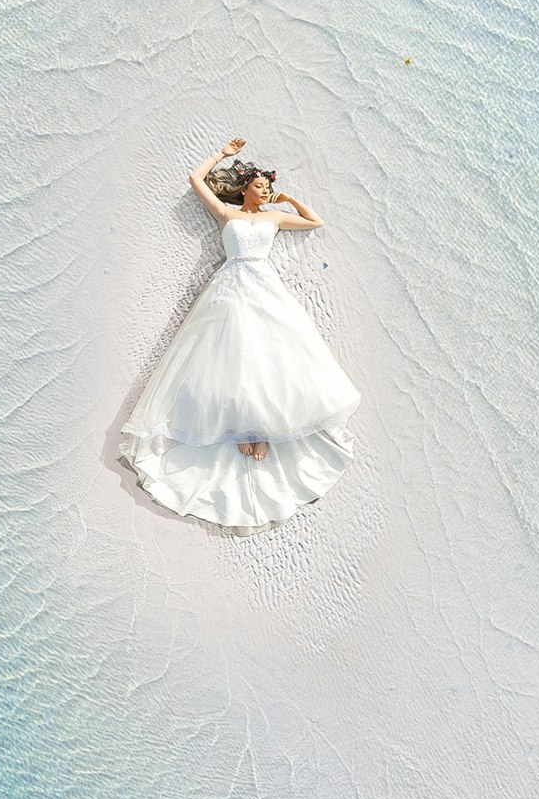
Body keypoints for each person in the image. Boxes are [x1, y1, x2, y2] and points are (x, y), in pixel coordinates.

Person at [119, 139, 362, 528]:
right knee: (229, 356)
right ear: (246, 188)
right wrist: (222, 154)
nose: (264, 193)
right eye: (260, 188)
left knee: (266, 356)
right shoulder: (225, 213)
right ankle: (240, 428)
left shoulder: (273, 219)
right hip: (230, 284)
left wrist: (288, 198)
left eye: (268, 190)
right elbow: (196, 179)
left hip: (263, 286)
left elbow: (315, 221)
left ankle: (260, 428)